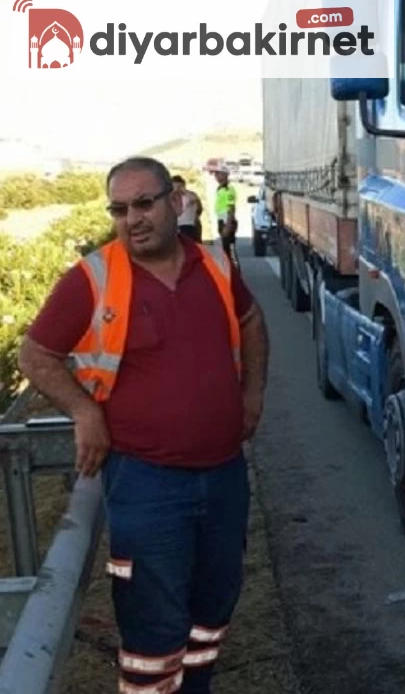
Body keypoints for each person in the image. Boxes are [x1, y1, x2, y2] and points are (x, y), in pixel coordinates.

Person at [17, 156, 269, 693]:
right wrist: (85, 412)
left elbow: (251, 321)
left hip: (224, 475)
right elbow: (35, 355)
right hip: (146, 483)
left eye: (144, 203)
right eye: (119, 209)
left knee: (212, 611)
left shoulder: (217, 265)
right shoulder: (93, 278)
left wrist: (252, 395)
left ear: (175, 201)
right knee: (153, 625)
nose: (132, 218)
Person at [213, 169, 238, 263]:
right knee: (225, 250)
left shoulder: (228, 189)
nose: (216, 176)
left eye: (218, 174)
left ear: (225, 175)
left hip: (227, 220)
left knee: (230, 252)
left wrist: (228, 224)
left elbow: (231, 207)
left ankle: (234, 272)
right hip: (221, 219)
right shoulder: (221, 188)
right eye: (215, 174)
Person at [172, 175, 203, 242]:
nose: (177, 189)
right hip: (178, 225)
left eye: (179, 186)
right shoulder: (172, 197)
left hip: (190, 225)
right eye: (175, 186)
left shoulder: (190, 195)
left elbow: (196, 201)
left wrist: (184, 191)